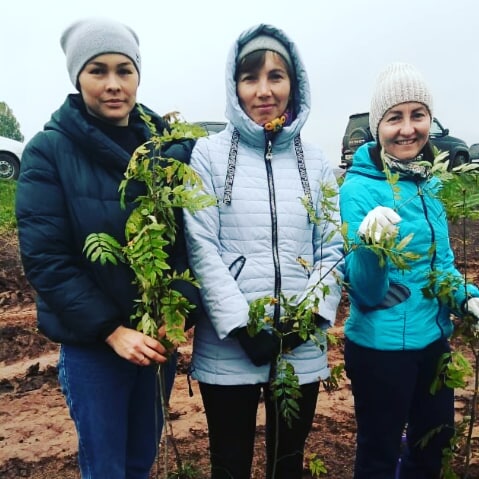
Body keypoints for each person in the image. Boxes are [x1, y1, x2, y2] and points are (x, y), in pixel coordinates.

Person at [15, 17, 203, 479]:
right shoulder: (48, 151)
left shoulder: (165, 149)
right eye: (98, 70)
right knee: (106, 468)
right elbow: (47, 259)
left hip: (155, 340)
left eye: (125, 70)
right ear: (77, 78)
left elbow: (190, 242)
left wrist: (177, 312)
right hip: (95, 347)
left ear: (138, 75)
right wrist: (112, 331)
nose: (114, 84)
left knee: (141, 460)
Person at [183, 24, 344, 479]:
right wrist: (241, 326)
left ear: (294, 83)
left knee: (287, 463)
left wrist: (305, 321)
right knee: (229, 464)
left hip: (299, 347)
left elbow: (332, 247)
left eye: (276, 76)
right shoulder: (208, 156)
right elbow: (201, 245)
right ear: (234, 86)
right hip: (228, 348)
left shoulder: (316, 162)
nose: (264, 90)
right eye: (250, 77)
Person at [339, 62, 479, 479]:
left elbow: (442, 267)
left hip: (433, 341)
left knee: (433, 447)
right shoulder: (357, 189)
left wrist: (467, 297)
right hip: (380, 351)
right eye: (394, 117)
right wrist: (372, 248)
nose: (407, 129)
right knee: (378, 457)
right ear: (377, 126)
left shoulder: (429, 183)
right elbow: (365, 293)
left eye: (417, 115)